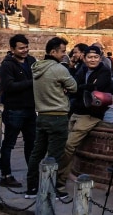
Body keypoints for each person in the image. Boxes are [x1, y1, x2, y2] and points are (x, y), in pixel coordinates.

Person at [57, 44, 113, 194]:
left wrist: (80, 87)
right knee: (66, 145)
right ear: (85, 57)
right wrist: (84, 87)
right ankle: (59, 177)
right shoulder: (82, 69)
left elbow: (95, 87)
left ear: (100, 58)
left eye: (96, 57)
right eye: (90, 57)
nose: (93, 60)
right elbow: (74, 86)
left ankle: (59, 179)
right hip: (77, 111)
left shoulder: (104, 71)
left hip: (92, 115)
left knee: (69, 146)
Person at [25, 37, 77, 200]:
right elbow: (74, 87)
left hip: (42, 116)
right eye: (62, 51)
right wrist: (63, 88)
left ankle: (32, 188)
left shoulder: (36, 67)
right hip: (58, 117)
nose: (64, 54)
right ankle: (51, 189)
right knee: (55, 156)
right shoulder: (58, 69)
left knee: (37, 153)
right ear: (53, 52)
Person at [0, 34, 37, 188]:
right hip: (14, 109)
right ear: (12, 49)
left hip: (30, 109)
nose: (25, 50)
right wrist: (31, 83)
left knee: (31, 143)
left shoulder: (31, 61)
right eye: (21, 48)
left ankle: (32, 174)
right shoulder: (7, 65)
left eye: (26, 47)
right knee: (9, 144)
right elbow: (9, 86)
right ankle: (6, 175)